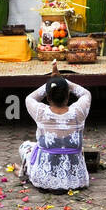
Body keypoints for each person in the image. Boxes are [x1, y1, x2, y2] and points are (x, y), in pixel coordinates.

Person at [16, 61, 92, 192]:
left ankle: (25, 169)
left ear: (48, 97)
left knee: (25, 146)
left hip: (44, 179)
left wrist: (51, 82)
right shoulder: (78, 112)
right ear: (68, 96)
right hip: (76, 180)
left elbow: (30, 97)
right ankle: (25, 169)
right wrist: (63, 81)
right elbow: (85, 94)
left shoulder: (41, 112)